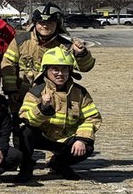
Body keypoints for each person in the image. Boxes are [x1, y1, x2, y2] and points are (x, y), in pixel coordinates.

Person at [16, 47, 102, 181]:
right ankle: (26, 167)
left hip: (66, 139)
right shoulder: (36, 92)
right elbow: (25, 118)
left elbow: (91, 118)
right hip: (44, 137)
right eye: (55, 69)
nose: (60, 74)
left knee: (87, 147)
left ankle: (58, 163)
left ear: (70, 71)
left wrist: (81, 139)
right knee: (25, 131)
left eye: (64, 69)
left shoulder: (79, 93)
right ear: (46, 70)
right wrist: (42, 108)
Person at [1, 3, 95, 109]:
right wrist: (11, 89)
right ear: (35, 23)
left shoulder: (65, 46)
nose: (45, 26)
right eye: (41, 22)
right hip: (21, 96)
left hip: (54, 98)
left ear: (58, 24)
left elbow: (85, 67)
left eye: (50, 22)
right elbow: (8, 65)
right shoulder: (21, 41)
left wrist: (81, 53)